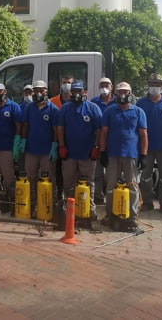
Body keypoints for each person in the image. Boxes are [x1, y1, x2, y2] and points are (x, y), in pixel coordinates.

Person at [99, 82, 148, 229]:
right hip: (112, 154)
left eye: (125, 92)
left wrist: (143, 155)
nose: (122, 95)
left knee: (132, 185)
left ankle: (132, 216)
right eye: (120, 92)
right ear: (116, 94)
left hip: (131, 154)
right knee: (110, 185)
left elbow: (143, 135)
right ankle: (110, 214)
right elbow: (104, 133)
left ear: (130, 94)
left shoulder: (138, 112)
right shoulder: (109, 111)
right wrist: (102, 151)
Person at [57, 80, 102, 220]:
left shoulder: (93, 108)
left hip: (87, 154)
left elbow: (99, 130)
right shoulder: (65, 108)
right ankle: (69, 208)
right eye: (74, 91)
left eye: (79, 91)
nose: (76, 93)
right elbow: (60, 128)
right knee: (68, 183)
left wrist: (96, 146)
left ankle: (89, 209)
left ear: (85, 91)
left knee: (88, 183)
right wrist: (61, 146)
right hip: (69, 154)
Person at [137, 73, 162, 214]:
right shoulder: (140, 103)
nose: (154, 87)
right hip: (146, 147)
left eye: (157, 84)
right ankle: (147, 202)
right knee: (145, 175)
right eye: (152, 84)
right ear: (148, 85)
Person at [21, 80, 59, 211]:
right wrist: (23, 140)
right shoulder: (29, 108)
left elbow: (56, 130)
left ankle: (50, 203)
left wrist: (54, 146)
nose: (38, 93)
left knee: (49, 177)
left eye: (41, 91)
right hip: (31, 149)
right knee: (30, 177)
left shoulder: (53, 109)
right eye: (36, 91)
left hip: (47, 151)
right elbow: (25, 125)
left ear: (46, 92)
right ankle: (31, 203)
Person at [90, 76, 115, 203]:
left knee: (112, 173)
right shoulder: (93, 103)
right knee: (97, 172)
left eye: (107, 85)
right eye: (102, 86)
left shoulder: (117, 102)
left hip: (113, 143)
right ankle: (98, 196)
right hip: (97, 141)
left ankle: (112, 198)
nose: (104, 88)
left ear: (111, 87)